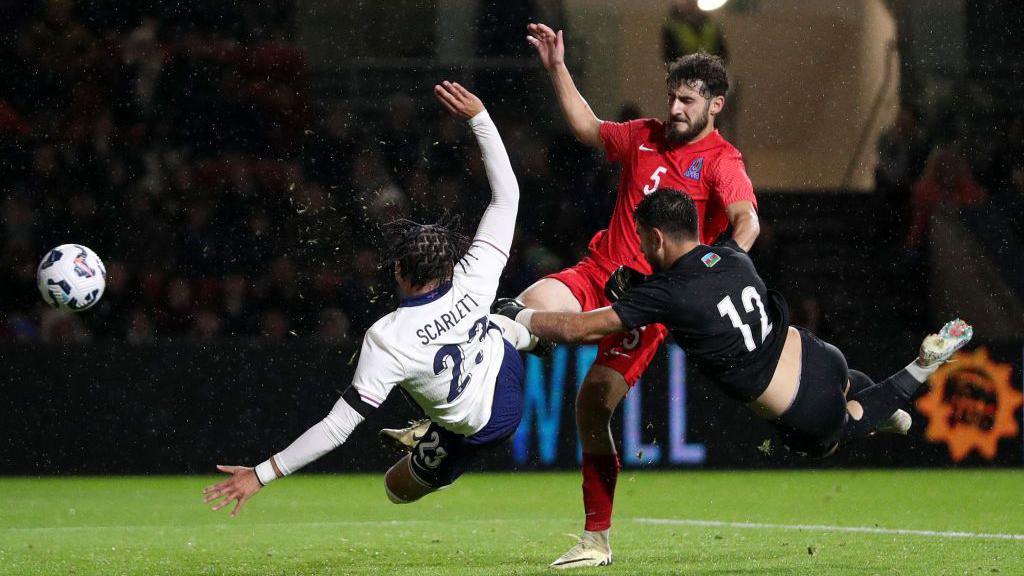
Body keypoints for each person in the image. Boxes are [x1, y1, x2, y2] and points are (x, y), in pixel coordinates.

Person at [495, 189, 972, 509]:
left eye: (642, 238)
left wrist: (520, 316)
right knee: (852, 391)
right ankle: (883, 408)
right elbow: (699, 290)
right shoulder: (729, 254)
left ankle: (921, 366)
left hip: (800, 408)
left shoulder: (664, 294)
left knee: (842, 428)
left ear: (656, 236)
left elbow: (581, 329)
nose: (639, 245)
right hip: (817, 353)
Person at [203, 82, 535, 515]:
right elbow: (507, 196)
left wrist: (261, 473)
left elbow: (338, 428)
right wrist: (480, 116)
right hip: (504, 375)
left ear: (398, 270)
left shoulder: (387, 338)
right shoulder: (475, 274)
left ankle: (499, 341)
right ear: (449, 266)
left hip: (477, 426)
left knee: (395, 489)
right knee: (500, 318)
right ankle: (517, 327)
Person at [525, 22, 758, 568]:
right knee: (529, 306)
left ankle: (595, 540)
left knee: (591, 406)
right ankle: (457, 408)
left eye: (687, 101)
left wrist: (719, 267)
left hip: (648, 304)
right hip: (596, 272)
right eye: (672, 98)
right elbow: (587, 127)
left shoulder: (723, 161)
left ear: (716, 105)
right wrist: (558, 67)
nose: (675, 109)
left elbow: (746, 220)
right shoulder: (643, 136)